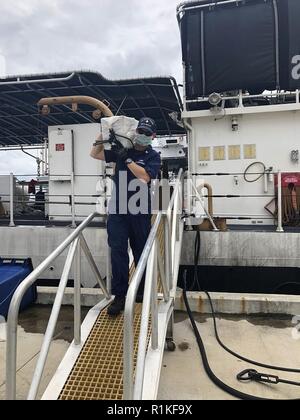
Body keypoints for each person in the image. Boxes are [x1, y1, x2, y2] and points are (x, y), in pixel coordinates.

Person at [90, 117, 161, 316]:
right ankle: (119, 295)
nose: (143, 136)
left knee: (141, 252)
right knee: (118, 252)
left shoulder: (153, 156)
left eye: (147, 133)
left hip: (139, 210)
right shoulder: (123, 149)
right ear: (135, 131)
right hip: (118, 210)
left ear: (153, 137)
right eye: (141, 131)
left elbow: (145, 176)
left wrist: (127, 159)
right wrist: (105, 132)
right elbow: (94, 153)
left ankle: (142, 289)